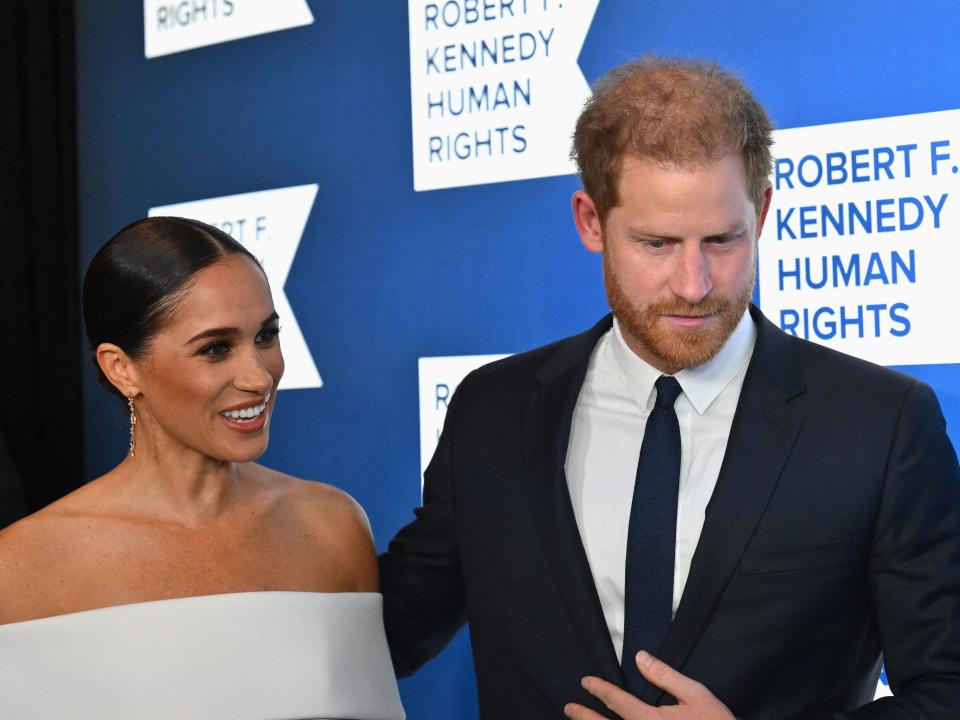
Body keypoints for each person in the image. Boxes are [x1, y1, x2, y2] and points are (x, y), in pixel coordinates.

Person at [379, 56, 960, 719]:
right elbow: (386, 633)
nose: (694, 283)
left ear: (763, 211)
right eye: (656, 244)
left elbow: (947, 689)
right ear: (591, 221)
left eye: (722, 240)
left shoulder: (879, 426)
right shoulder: (492, 411)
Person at [0, 217, 404, 720]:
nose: (259, 376)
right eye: (215, 348)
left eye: (266, 335)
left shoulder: (332, 526)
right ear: (120, 368)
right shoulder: (20, 567)